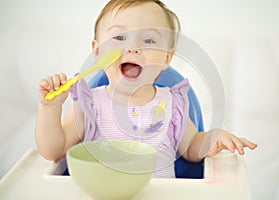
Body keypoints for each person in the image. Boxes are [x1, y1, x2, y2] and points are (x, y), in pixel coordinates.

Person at [35, 0, 257, 178]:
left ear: (166, 58)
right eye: (119, 37)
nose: (133, 47)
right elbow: (53, 150)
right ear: (98, 51)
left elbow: (190, 149)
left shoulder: (172, 103)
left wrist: (211, 138)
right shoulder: (89, 104)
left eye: (149, 40)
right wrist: (50, 108)